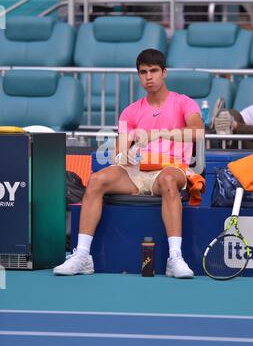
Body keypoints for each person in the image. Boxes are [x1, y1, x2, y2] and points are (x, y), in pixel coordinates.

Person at [54, 48, 204, 278]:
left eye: (154, 71)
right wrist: (127, 156)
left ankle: (175, 258)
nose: (149, 77)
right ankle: (82, 256)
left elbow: (197, 132)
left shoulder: (184, 103)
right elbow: (118, 153)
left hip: (171, 169)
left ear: (164, 73)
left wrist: (161, 133)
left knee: (167, 180)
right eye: (143, 72)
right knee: (96, 180)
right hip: (135, 172)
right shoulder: (130, 112)